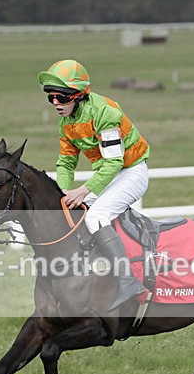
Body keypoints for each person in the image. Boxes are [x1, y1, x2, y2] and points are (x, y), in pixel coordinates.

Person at [38, 59, 150, 311]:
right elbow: (65, 163)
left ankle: (127, 281)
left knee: (97, 215)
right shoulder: (66, 122)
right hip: (109, 175)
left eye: (61, 97)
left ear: (78, 95)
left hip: (131, 172)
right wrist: (64, 192)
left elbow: (114, 162)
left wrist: (84, 189)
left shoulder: (104, 112)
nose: (55, 103)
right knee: (74, 213)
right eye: (50, 98)